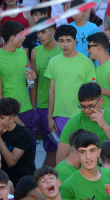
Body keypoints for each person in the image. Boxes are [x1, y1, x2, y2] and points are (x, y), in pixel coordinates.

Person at [56, 82, 110, 164]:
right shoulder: (73, 123)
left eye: (91, 106)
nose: (86, 110)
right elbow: (61, 160)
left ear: (101, 102)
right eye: (82, 106)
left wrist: (105, 127)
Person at [45, 24, 96, 133]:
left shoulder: (86, 62)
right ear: (58, 42)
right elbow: (51, 90)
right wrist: (50, 117)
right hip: (60, 115)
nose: (65, 44)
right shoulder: (53, 62)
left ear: (75, 41)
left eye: (68, 40)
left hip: (82, 114)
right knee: (64, 149)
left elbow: (92, 92)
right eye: (61, 41)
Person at [61, 131, 110, 200]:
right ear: (77, 154)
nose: (88, 157)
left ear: (99, 152)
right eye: (83, 152)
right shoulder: (68, 186)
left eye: (92, 151)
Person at [0, 21, 38, 150]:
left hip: (27, 110)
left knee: (30, 152)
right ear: (12, 38)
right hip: (9, 116)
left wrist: (32, 77)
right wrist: (13, 118)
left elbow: (30, 81)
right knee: (12, 156)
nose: (25, 38)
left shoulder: (22, 53)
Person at [31, 17, 62, 168]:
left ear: (53, 31)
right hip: (43, 105)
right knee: (50, 146)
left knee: (63, 145)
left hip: (62, 106)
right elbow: (32, 83)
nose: (40, 36)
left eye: (43, 32)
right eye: (38, 33)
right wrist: (32, 107)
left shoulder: (63, 49)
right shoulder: (35, 52)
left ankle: (43, 176)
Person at [0, 97, 35, 186]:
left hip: (23, 181)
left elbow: (11, 162)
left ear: (11, 120)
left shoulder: (24, 134)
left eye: (1, 117)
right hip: (2, 180)